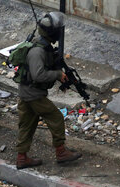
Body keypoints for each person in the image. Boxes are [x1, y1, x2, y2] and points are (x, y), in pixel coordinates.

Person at [16, 12, 82, 169]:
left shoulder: (42, 46)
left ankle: (22, 158)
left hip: (26, 92)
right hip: (33, 94)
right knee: (56, 117)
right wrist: (57, 74)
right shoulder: (37, 51)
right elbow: (38, 75)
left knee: (27, 125)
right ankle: (61, 152)